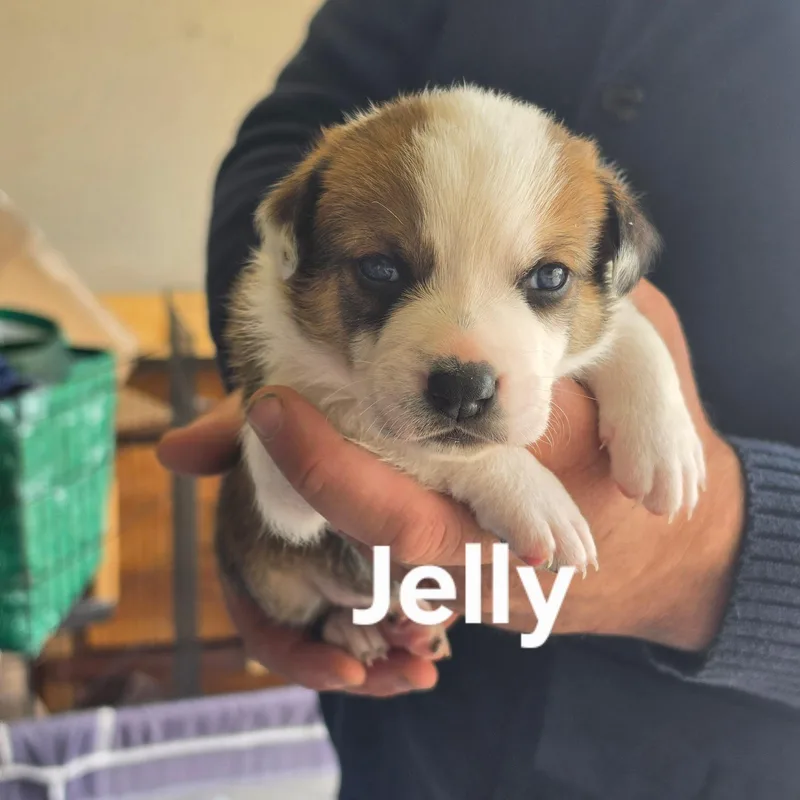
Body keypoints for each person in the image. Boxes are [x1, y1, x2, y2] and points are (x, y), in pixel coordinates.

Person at [157, 1, 800, 797]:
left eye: (542, 281)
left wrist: (717, 556)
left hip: (728, 752)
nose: (465, 357)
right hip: (414, 734)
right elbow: (286, 142)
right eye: (385, 273)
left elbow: (615, 313)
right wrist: (273, 386)